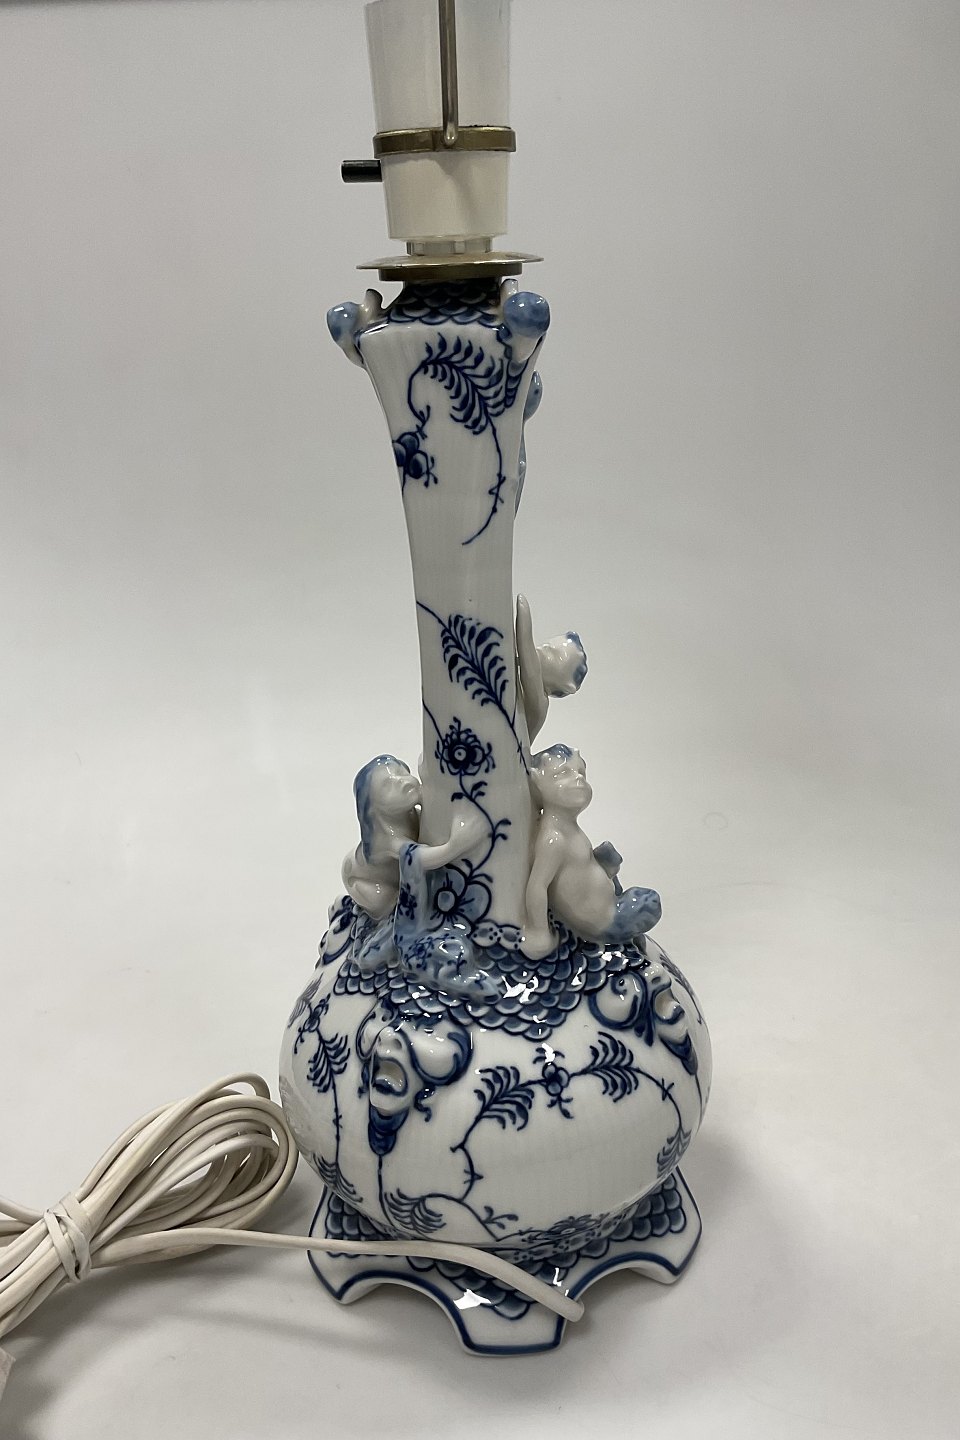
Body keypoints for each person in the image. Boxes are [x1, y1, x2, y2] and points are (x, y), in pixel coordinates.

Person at [524, 745, 661, 959]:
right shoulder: (554, 839)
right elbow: (537, 887)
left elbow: (578, 873)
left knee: (640, 897)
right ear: (536, 781)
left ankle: (631, 942)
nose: (578, 779)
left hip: (610, 905)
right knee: (650, 902)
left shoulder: (569, 829)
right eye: (562, 774)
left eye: (581, 772)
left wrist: (605, 867)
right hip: (603, 922)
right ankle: (626, 943)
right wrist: (539, 932)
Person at [341, 755, 421, 919]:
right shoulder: (386, 840)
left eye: (402, 773)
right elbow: (422, 857)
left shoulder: (411, 814)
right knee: (385, 902)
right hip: (360, 878)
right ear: (373, 808)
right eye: (388, 786)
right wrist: (454, 846)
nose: (403, 781)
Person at [516, 593, 588, 744]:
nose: (542, 648)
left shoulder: (540, 704)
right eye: (547, 645)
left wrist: (522, 612)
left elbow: (528, 660)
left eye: (551, 653)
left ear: (566, 685)